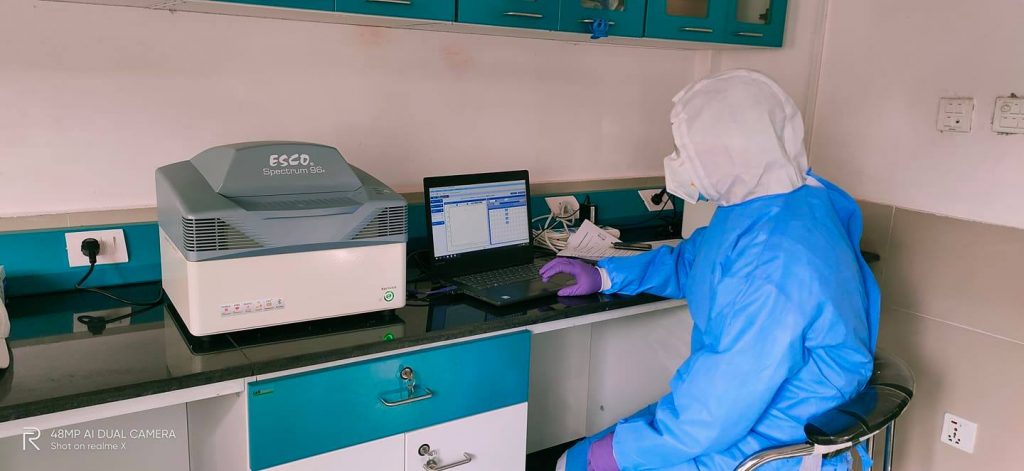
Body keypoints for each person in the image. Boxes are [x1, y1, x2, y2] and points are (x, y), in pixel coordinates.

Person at [540, 69, 881, 471]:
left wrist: (621, 452)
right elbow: (697, 261)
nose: (677, 163)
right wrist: (605, 275)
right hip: (756, 410)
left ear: (728, 152)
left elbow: (717, 407)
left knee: (577, 463)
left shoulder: (773, 263)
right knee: (582, 456)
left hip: (775, 441)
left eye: (686, 151)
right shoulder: (780, 203)